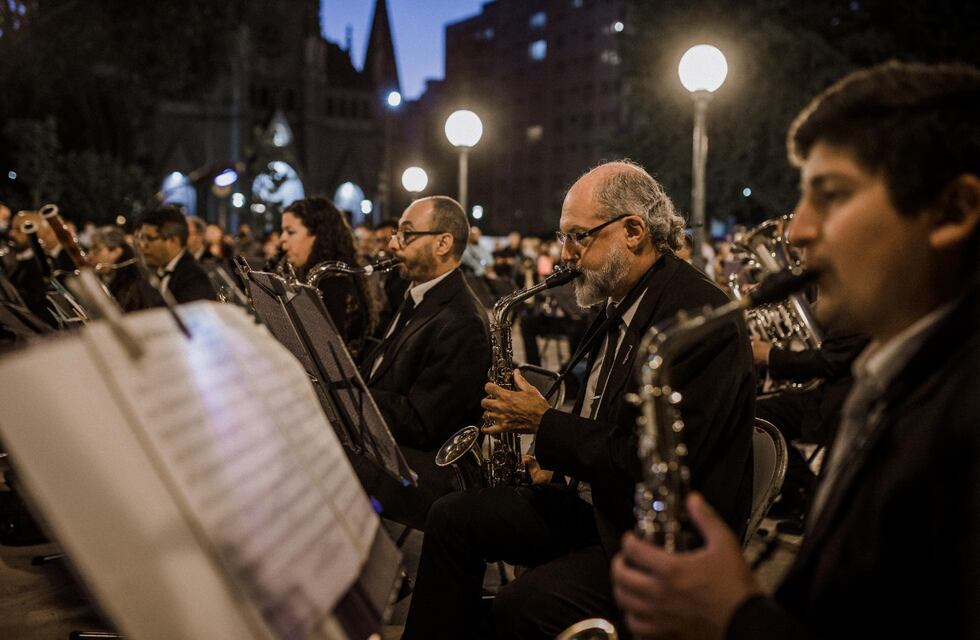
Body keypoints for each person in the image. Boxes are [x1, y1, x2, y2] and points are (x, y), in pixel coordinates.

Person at [611, 61, 980, 640]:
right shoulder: (901, 382)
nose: (799, 232)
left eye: (831, 196)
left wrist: (735, 617)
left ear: (952, 211)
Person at [402, 161, 755, 639]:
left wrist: (545, 425)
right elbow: (607, 420)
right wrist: (560, 467)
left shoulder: (696, 318)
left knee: (519, 604)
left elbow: (658, 465)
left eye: (578, 237)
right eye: (563, 237)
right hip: (605, 506)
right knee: (451, 517)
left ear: (633, 231)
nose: (565, 254)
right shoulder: (622, 299)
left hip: (657, 540)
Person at [359, 196, 492, 528]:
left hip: (428, 468)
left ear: (443, 243)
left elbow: (423, 424)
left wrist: (352, 395)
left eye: (406, 234)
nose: (393, 244)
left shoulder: (462, 320)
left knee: (321, 461)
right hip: (390, 441)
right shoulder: (420, 294)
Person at [279, 196, 378, 360]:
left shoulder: (334, 284)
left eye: (290, 232)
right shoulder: (324, 279)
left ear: (318, 235)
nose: (282, 238)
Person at [136, 205, 216, 304]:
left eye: (149, 238)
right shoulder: (153, 272)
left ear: (173, 241)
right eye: (141, 239)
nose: (142, 246)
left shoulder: (195, 278)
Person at [87, 225, 154, 312]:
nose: (89, 257)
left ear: (116, 251)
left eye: (96, 249)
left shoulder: (133, 281)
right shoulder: (107, 276)